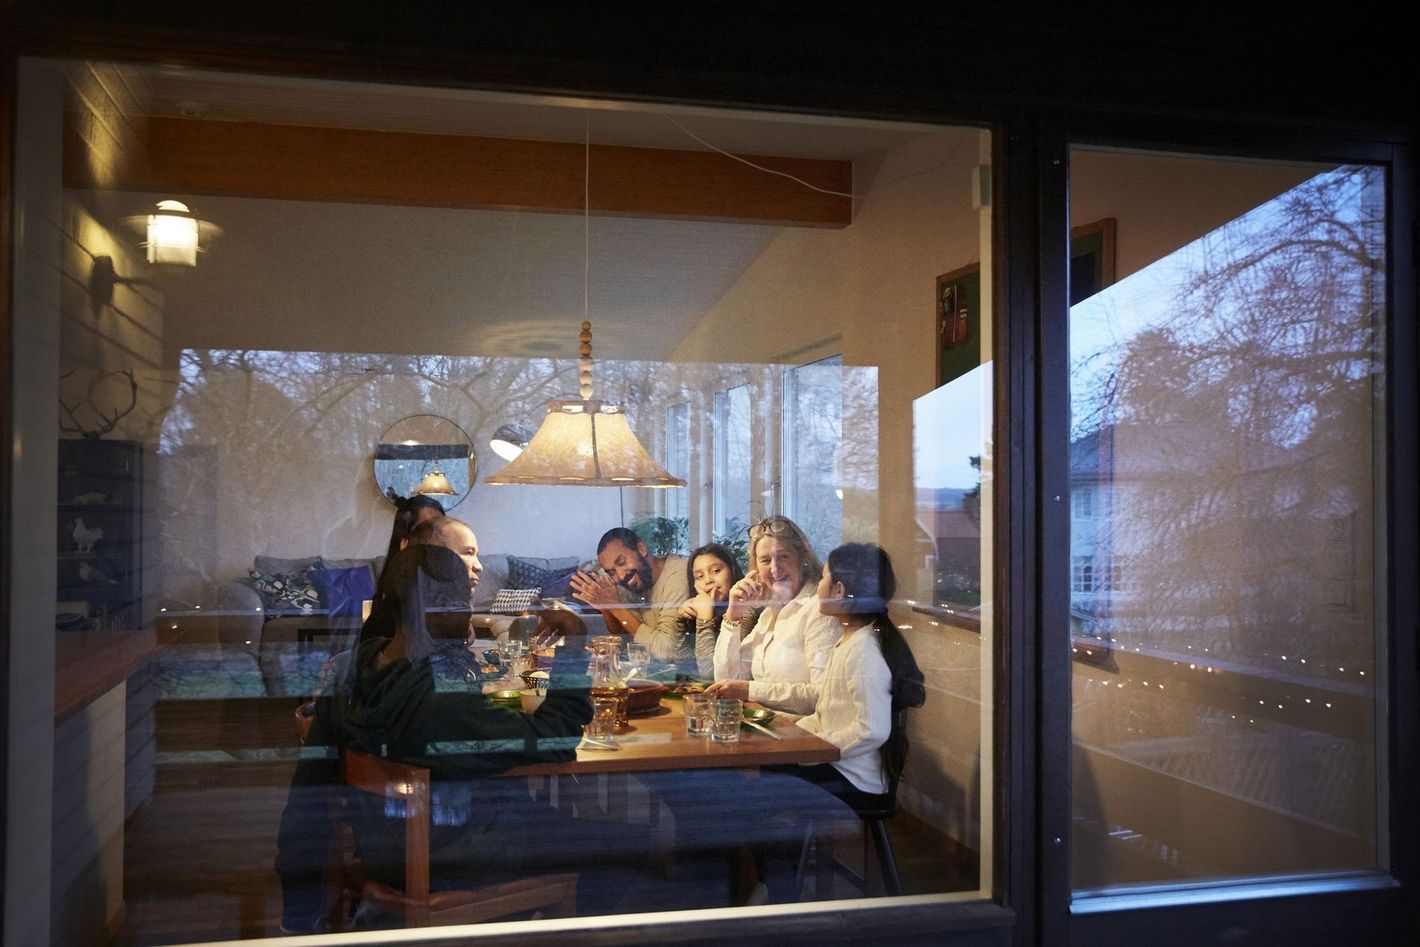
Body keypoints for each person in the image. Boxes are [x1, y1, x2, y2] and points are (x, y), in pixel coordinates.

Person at [275, 542, 596, 932]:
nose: (469, 613)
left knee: (566, 827)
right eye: (465, 601)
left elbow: (305, 792)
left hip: (381, 850)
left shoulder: (354, 670)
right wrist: (575, 646)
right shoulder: (439, 697)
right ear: (442, 605)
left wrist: (298, 912)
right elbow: (555, 741)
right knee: (625, 848)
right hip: (454, 853)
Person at [779, 542, 927, 805]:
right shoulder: (848, 641)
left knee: (764, 781)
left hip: (855, 779)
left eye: (823, 578)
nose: (818, 587)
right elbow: (828, 716)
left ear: (839, 590)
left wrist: (813, 748)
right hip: (838, 766)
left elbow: (872, 730)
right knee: (764, 771)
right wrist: (790, 736)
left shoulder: (863, 651)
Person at [704, 516, 840, 713]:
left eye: (783, 556)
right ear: (756, 569)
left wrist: (751, 690)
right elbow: (726, 679)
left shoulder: (819, 610)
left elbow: (823, 696)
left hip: (802, 729)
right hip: (768, 726)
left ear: (802, 558)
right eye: (765, 561)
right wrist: (733, 615)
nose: (775, 569)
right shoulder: (769, 614)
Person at [569, 526, 690, 666]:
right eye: (612, 572)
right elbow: (625, 641)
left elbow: (666, 652)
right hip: (649, 670)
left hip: (685, 672)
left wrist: (615, 606)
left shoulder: (677, 575)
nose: (620, 576)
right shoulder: (632, 582)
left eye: (622, 562)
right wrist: (605, 608)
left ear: (641, 549)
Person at [676, 543, 744, 679]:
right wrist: (681, 621)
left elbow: (710, 675)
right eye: (699, 576)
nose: (708, 580)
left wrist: (704, 619)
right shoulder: (702, 608)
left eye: (716, 571)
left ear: (732, 571)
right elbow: (686, 669)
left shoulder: (745, 610)